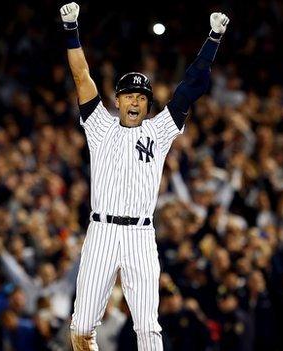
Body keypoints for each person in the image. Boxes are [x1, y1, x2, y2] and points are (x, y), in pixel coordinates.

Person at [59, 2, 229, 350]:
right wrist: (71, 30)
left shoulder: (160, 130)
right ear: (117, 100)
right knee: (80, 328)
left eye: (141, 97)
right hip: (102, 232)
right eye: (128, 96)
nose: (135, 102)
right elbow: (81, 76)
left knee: (149, 328)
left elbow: (191, 86)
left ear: (147, 104)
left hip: (140, 235)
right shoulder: (98, 125)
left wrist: (213, 39)